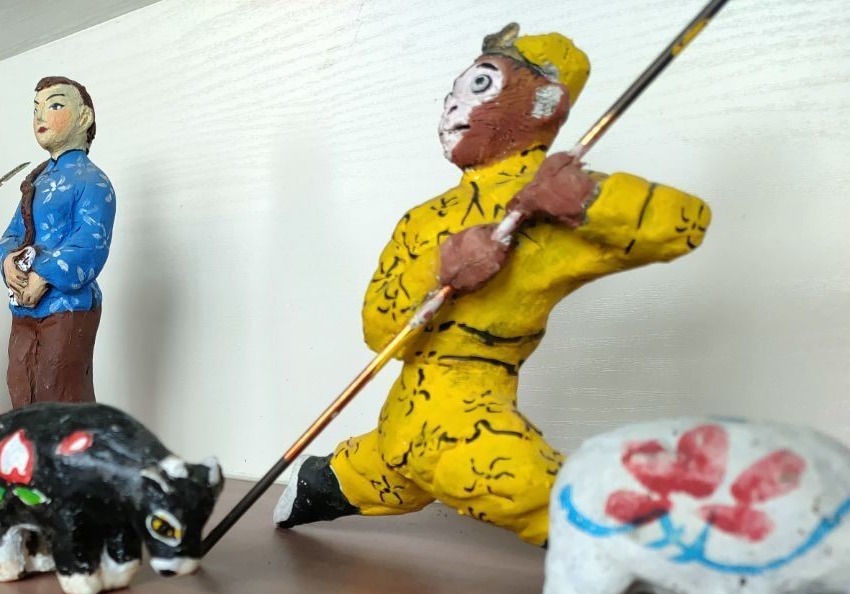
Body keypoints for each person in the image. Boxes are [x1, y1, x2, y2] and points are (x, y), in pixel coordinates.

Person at [274, 24, 711, 546]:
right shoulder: (423, 219)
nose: (453, 106)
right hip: (417, 412)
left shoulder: (552, 203)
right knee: (433, 476)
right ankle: (325, 480)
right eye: (453, 91)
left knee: (518, 487)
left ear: (545, 103)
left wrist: (586, 201)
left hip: (463, 416)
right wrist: (438, 270)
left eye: (480, 87)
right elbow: (379, 330)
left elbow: (685, 225)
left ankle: (646, 547)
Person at [0, 76, 116, 408]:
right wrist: (8, 260)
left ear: (84, 117)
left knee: (59, 390)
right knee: (20, 385)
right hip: (24, 306)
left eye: (55, 105)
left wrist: (44, 276)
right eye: (36, 108)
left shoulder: (92, 181)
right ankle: (30, 444)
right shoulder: (38, 181)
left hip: (67, 307)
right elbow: (13, 232)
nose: (40, 116)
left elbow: (91, 243)